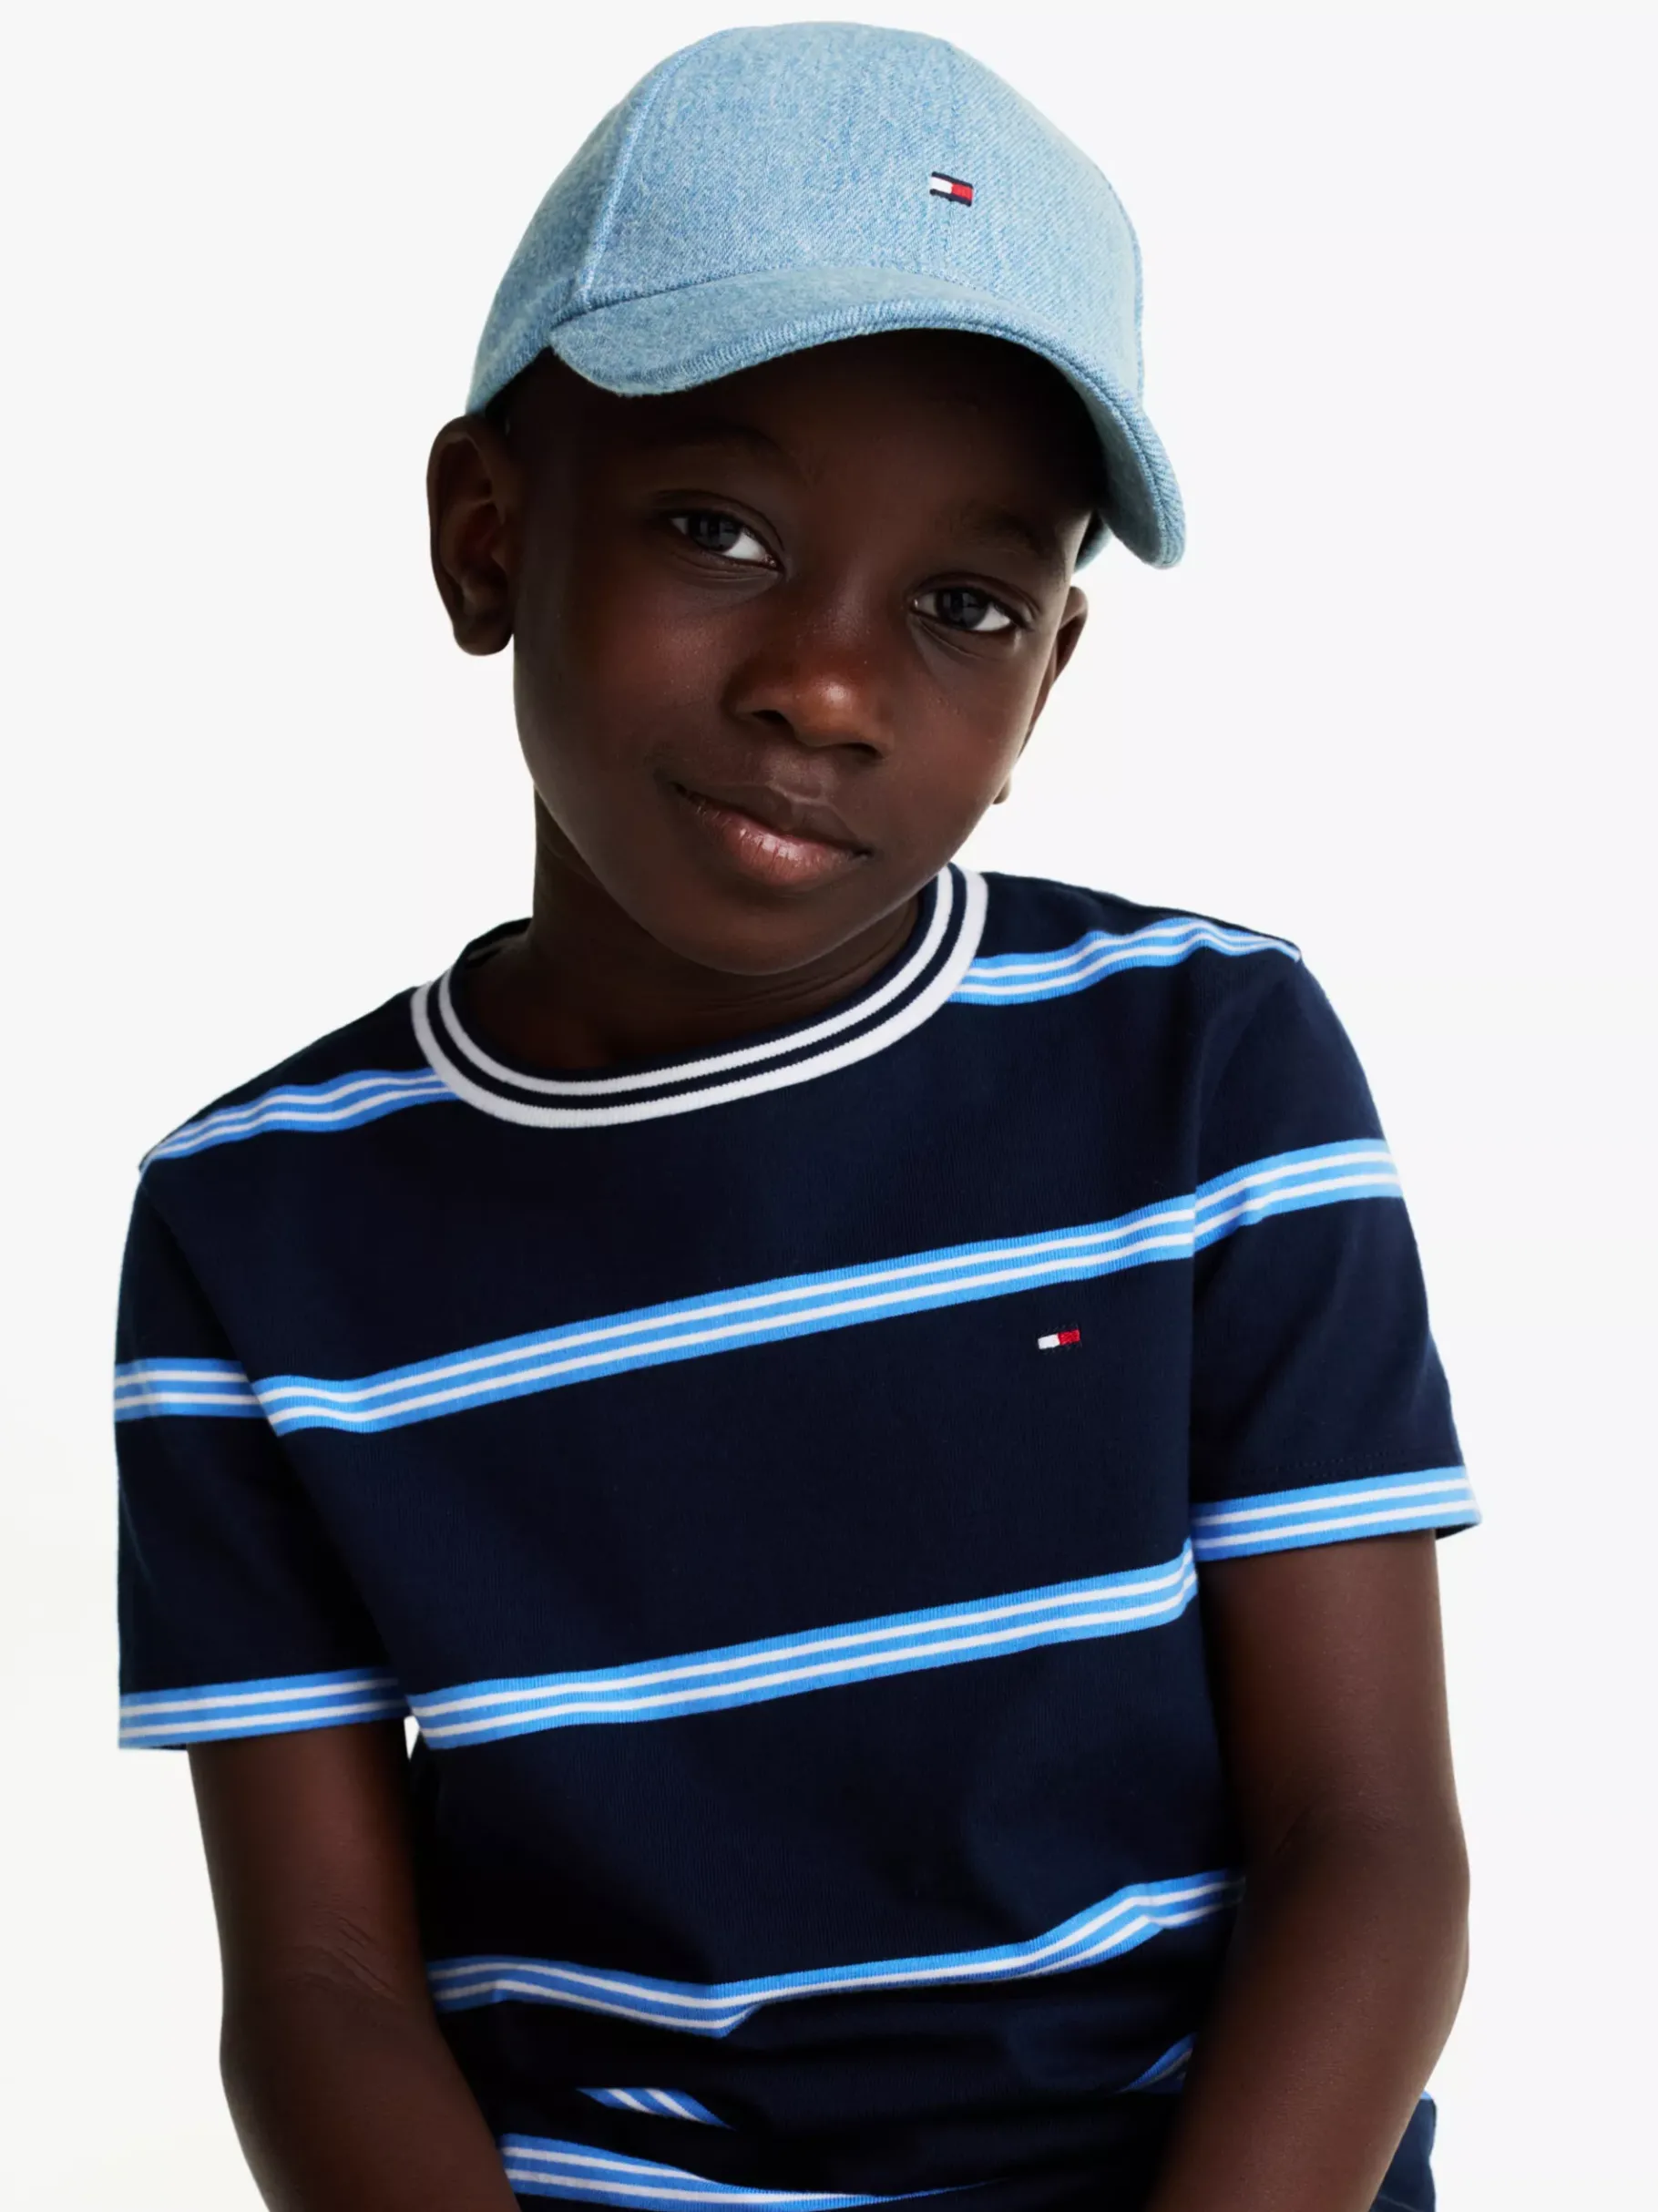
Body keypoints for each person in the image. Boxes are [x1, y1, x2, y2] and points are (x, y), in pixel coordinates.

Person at [113, 24, 1477, 2212]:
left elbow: (1370, 1843)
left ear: (1043, 678)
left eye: (961, 604)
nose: (826, 686)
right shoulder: (256, 1224)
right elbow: (324, 1980)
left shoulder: (1206, 1065)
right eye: (716, 527)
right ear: (484, 534)